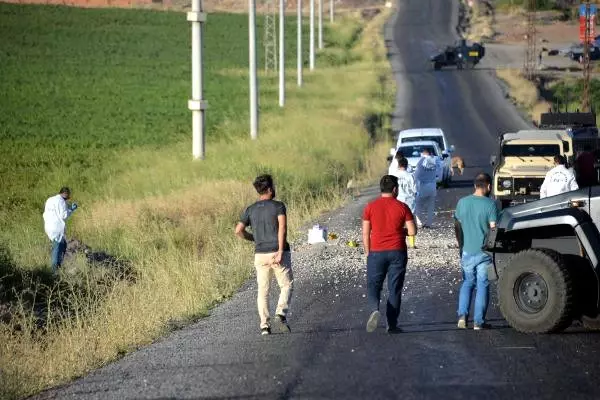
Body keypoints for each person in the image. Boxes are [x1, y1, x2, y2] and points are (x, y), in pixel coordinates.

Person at [235, 174, 293, 336]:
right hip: (277, 251)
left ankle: (264, 326)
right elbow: (282, 228)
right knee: (286, 285)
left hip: (260, 254)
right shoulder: (279, 206)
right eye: (273, 186)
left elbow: (238, 231)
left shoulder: (250, 209)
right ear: (269, 188)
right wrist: (281, 250)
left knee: (263, 290)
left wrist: (254, 238)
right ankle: (281, 313)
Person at [362, 175, 417, 333]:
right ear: (395, 190)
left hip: (376, 252)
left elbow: (365, 234)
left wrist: (368, 252)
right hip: (397, 251)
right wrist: (402, 231)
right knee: (395, 288)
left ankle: (374, 309)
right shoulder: (403, 207)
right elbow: (412, 231)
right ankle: (391, 325)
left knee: (374, 285)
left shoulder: (370, 207)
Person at [454, 173, 497, 330]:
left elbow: (457, 225)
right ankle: (479, 321)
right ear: (489, 186)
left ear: (475, 185)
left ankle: (462, 317)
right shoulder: (490, 205)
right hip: (484, 253)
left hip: (466, 250)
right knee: (482, 284)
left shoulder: (462, 203)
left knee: (467, 283)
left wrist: (461, 245)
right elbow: (493, 228)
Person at [43, 187, 77, 274]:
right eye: (68, 195)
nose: (68, 198)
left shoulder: (50, 199)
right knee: (58, 247)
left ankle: (58, 267)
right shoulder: (61, 201)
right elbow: (64, 215)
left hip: (48, 226)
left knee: (63, 244)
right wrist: (71, 210)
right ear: (65, 194)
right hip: (56, 227)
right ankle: (54, 271)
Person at [414, 148, 441, 228]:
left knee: (418, 205)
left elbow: (417, 175)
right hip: (432, 185)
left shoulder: (421, 161)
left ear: (423, 153)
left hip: (423, 185)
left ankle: (420, 222)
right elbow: (439, 172)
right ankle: (429, 223)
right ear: (431, 153)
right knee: (431, 205)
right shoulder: (435, 160)